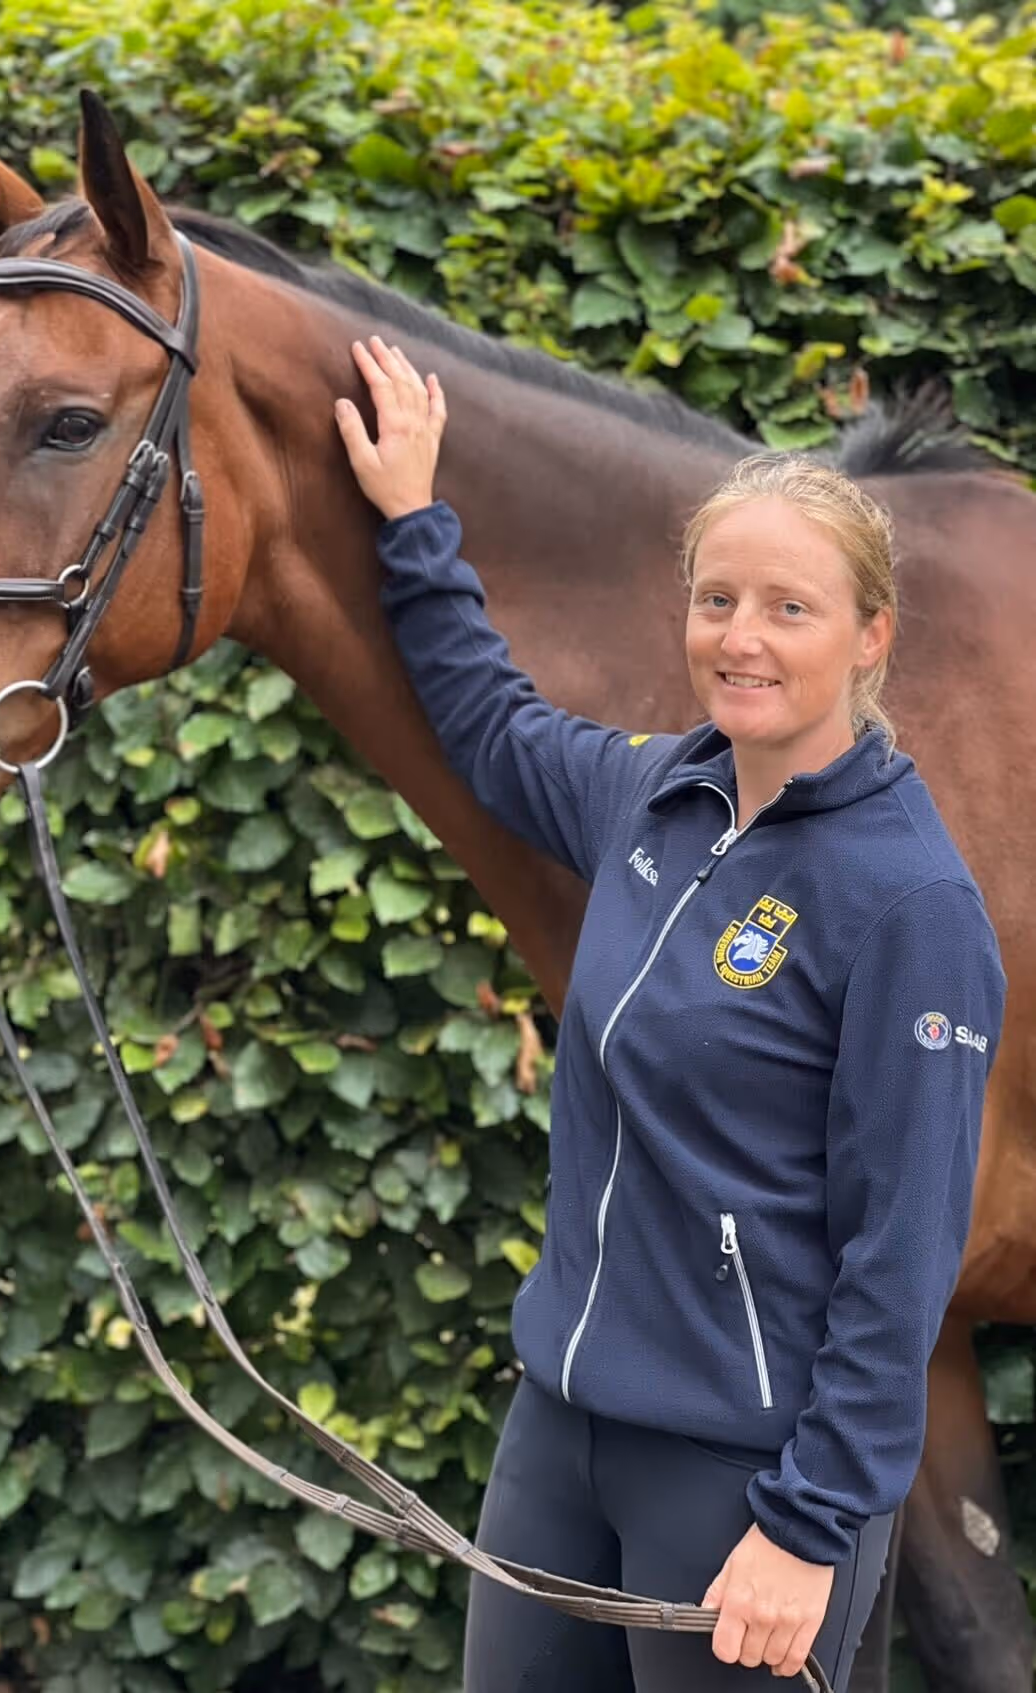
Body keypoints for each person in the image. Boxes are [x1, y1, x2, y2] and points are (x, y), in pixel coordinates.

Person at [332, 336, 1006, 1691]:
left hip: (745, 1476)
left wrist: (808, 1526)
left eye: (789, 608)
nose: (740, 638)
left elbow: (904, 1256)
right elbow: (490, 721)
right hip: (562, 1430)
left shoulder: (909, 905)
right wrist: (412, 520)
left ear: (872, 634)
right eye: (716, 600)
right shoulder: (655, 795)